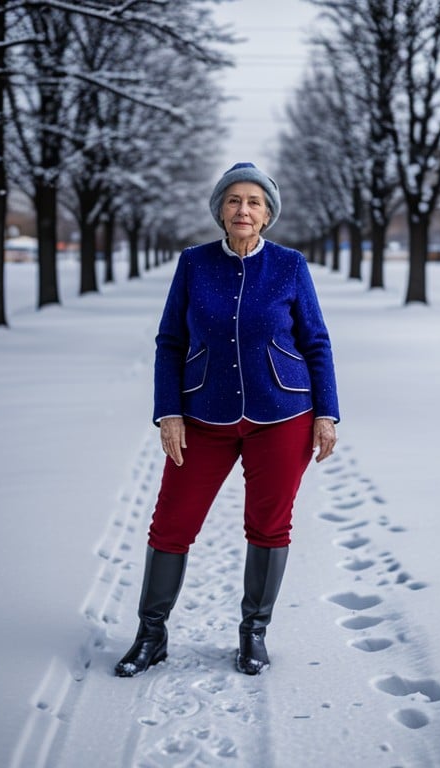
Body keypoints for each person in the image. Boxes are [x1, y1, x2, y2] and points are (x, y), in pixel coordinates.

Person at [115, 162, 340, 678]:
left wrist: (326, 413)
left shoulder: (290, 265)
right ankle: (152, 633)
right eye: (234, 200)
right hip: (203, 416)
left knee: (269, 524)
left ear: (267, 215)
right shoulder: (194, 264)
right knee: (172, 523)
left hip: (282, 414)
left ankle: (253, 633)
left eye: (254, 202)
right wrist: (168, 411)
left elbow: (316, 341)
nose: (243, 209)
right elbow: (170, 340)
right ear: (220, 209)